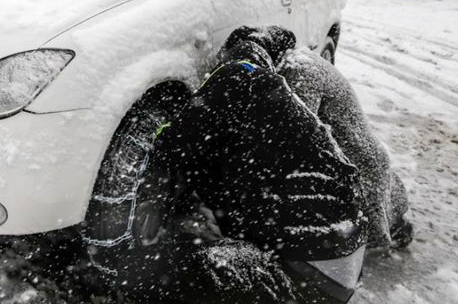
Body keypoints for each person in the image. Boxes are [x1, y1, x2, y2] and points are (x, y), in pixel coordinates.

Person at [127, 26, 411, 303]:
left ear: (227, 58)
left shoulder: (234, 78)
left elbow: (172, 144)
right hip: (340, 263)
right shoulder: (275, 101)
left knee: (161, 274)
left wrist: (155, 145)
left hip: (308, 275)